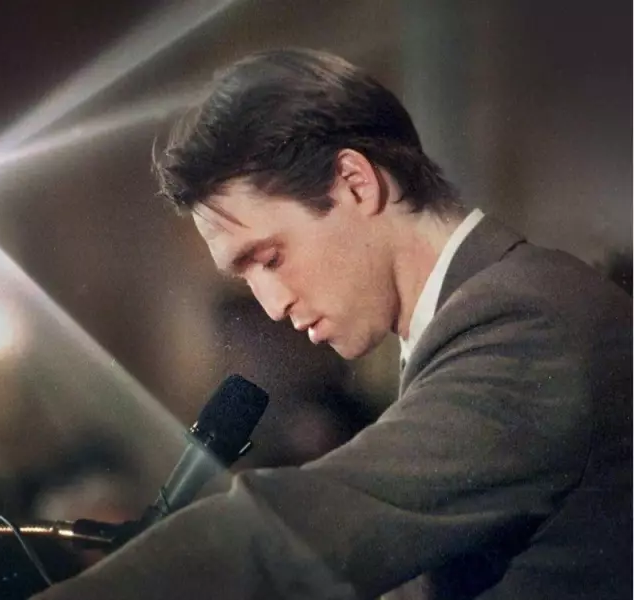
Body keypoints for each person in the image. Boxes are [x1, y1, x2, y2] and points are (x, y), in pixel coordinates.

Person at [31, 49, 631, 599]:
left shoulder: (528, 327)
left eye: (270, 258)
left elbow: (297, 535)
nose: (271, 306)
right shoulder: (481, 321)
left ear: (355, 183)